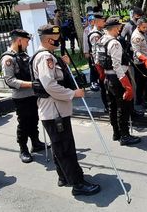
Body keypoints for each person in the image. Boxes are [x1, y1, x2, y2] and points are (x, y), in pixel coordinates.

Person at [31, 24, 101, 196]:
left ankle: (63, 176)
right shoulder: (45, 57)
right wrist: (73, 94)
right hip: (54, 110)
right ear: (49, 39)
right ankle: (77, 184)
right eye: (57, 38)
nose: (59, 40)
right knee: (65, 147)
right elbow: (50, 85)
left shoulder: (48, 56)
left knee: (59, 145)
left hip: (54, 110)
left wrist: (64, 63)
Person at [0, 29, 46, 163]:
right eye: (26, 41)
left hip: (32, 94)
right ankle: (23, 149)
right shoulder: (8, 58)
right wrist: (31, 84)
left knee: (34, 119)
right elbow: (10, 80)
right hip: (21, 97)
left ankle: (36, 143)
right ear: (19, 40)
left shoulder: (23, 54)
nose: (27, 44)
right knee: (24, 123)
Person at [95, 16, 141, 146]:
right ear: (114, 28)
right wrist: (127, 85)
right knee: (123, 107)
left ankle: (116, 133)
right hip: (117, 78)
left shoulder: (101, 40)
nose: (120, 30)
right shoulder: (114, 43)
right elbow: (117, 66)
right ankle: (125, 135)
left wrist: (103, 75)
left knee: (112, 107)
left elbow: (97, 61)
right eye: (119, 28)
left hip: (108, 79)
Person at [131, 18, 147, 109]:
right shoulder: (136, 36)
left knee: (142, 82)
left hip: (145, 61)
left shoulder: (142, 32)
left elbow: (144, 46)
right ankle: (144, 100)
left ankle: (141, 100)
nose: (146, 29)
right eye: (144, 27)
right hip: (140, 63)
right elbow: (136, 52)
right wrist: (146, 59)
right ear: (138, 26)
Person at [86, 13, 109, 112]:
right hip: (101, 64)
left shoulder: (101, 31)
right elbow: (96, 53)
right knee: (104, 86)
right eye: (102, 20)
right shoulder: (95, 35)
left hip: (105, 63)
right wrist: (99, 68)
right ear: (96, 21)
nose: (104, 22)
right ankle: (107, 106)